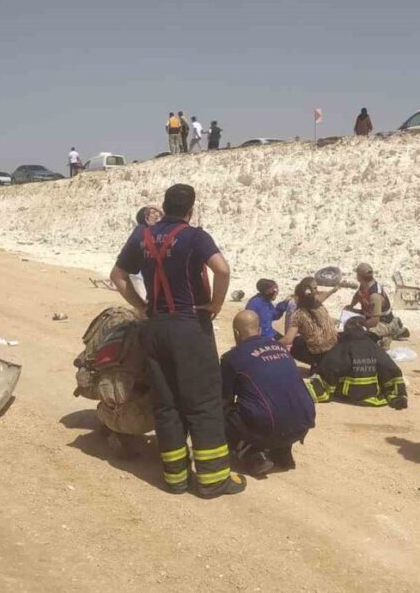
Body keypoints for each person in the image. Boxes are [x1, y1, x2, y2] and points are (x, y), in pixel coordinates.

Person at [110, 184, 246, 498]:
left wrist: (142, 307)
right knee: (203, 402)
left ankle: (175, 478)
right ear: (190, 210)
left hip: (156, 326)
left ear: (164, 205)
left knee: (167, 403)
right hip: (189, 326)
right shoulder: (195, 236)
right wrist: (216, 304)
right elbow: (222, 270)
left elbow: (117, 276)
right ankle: (212, 480)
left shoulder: (141, 235)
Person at [221, 311, 316, 475]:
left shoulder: (231, 358)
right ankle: (282, 451)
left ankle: (252, 454)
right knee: (277, 397)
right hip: (303, 423)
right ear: (259, 330)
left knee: (221, 411)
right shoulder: (281, 348)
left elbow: (224, 399)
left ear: (236, 333)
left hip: (269, 428)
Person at [317, 317, 407, 408]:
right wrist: (398, 394)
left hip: (347, 395)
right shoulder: (374, 347)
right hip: (371, 393)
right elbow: (389, 367)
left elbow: (331, 367)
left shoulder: (342, 346)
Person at [282, 277, 340, 371]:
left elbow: (288, 340)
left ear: (297, 297)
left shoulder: (298, 314)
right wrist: (332, 290)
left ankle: (316, 363)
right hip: (333, 346)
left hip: (319, 352)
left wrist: (273, 344)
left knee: (293, 345)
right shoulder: (319, 305)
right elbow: (322, 297)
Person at [347, 263, 407, 347]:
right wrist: (351, 307)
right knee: (348, 317)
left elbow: (374, 321)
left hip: (382, 321)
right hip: (368, 315)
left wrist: (360, 325)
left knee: (362, 335)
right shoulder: (364, 285)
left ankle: (388, 334)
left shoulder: (375, 295)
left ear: (359, 276)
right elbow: (358, 295)